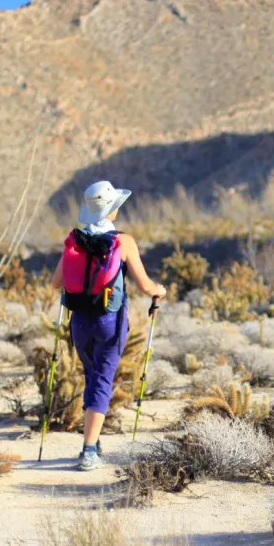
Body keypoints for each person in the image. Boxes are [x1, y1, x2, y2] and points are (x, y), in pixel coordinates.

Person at [51, 180, 167, 471]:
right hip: (110, 321)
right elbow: (145, 286)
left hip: (79, 321)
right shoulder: (123, 242)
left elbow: (56, 284)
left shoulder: (74, 240)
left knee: (92, 376)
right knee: (102, 380)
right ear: (113, 211)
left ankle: (94, 440)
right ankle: (89, 450)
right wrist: (159, 290)